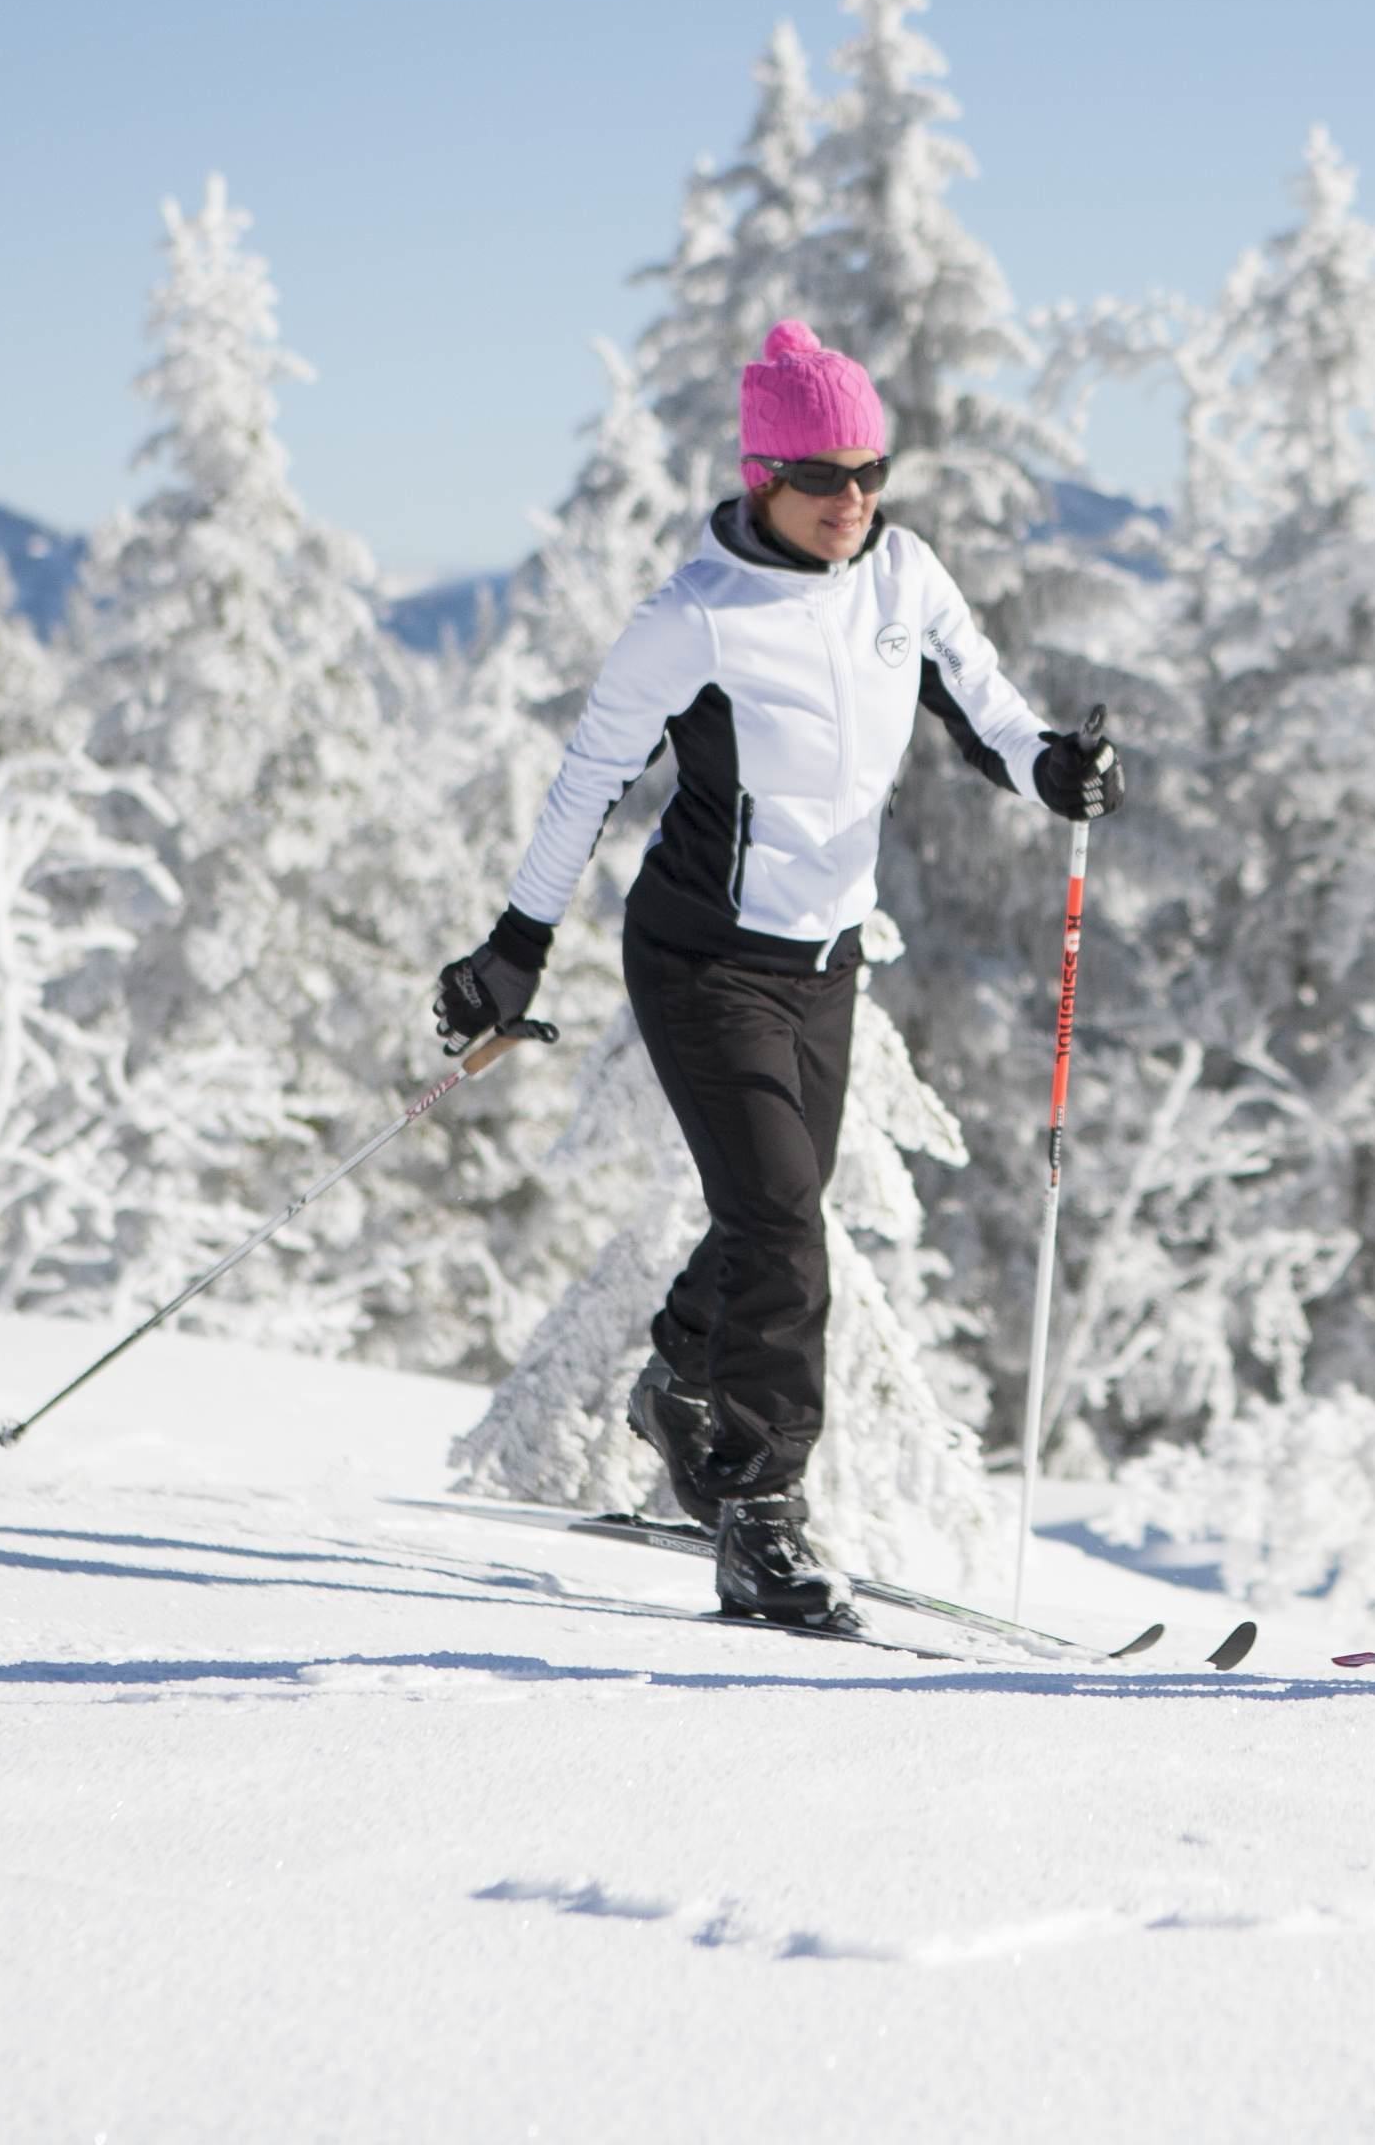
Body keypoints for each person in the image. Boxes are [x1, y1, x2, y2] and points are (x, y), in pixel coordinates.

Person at [438, 321, 1121, 1632]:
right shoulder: (694, 617)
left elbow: (984, 703)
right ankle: (758, 1515)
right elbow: (589, 778)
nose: (852, 499)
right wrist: (517, 943)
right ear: (763, 478)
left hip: (825, 965)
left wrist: (1053, 767)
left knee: (775, 1210)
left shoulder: (898, 577)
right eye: (824, 477)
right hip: (702, 961)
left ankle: (683, 1383)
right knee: (782, 1228)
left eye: (871, 471)